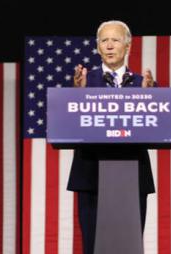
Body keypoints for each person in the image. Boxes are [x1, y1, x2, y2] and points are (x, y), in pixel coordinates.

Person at [66, 20, 156, 254]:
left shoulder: (142, 84)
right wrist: (77, 95)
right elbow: (69, 125)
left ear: (127, 46)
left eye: (115, 40)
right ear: (97, 47)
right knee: (94, 247)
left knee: (128, 247)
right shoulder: (83, 82)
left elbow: (158, 126)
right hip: (91, 176)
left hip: (132, 175)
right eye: (104, 40)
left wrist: (151, 98)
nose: (109, 45)